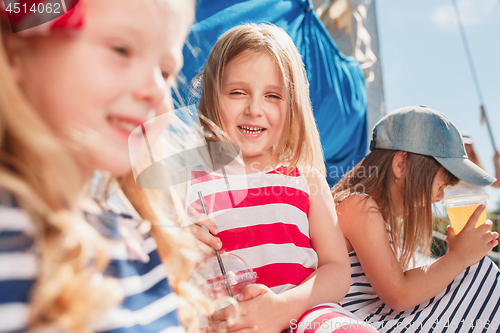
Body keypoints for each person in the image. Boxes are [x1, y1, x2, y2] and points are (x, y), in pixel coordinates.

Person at [0, 1, 209, 332]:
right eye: (122, 50)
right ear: (16, 52)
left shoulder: (137, 237)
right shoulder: (9, 234)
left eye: (166, 71)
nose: (156, 88)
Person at [187, 23, 376, 333]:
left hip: (303, 316)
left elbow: (338, 270)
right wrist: (175, 245)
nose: (254, 109)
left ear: (293, 105)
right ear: (211, 95)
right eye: (237, 92)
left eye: (273, 95)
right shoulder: (187, 184)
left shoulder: (305, 176)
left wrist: (281, 310)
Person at [332, 106, 500, 332]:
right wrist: (458, 257)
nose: (440, 197)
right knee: (479, 273)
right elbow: (399, 295)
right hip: (364, 322)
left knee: (475, 270)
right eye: (440, 185)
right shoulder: (358, 207)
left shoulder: (375, 215)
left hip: (377, 318)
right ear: (402, 165)